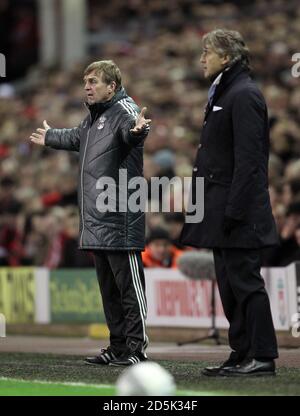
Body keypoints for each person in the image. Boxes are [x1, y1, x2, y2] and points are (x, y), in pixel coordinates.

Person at [29, 60, 151, 367]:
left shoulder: (124, 111)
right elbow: (75, 137)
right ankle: (118, 347)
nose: (87, 86)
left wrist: (139, 132)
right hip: (96, 221)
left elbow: (131, 132)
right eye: (85, 82)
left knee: (128, 290)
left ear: (111, 86)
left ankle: (137, 349)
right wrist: (51, 136)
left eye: (93, 81)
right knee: (110, 292)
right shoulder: (92, 120)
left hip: (120, 217)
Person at [180, 29, 279, 376]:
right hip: (220, 208)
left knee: (246, 282)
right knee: (228, 282)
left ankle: (263, 355)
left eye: (207, 52)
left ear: (226, 56)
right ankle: (241, 353)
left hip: (238, 210)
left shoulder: (244, 94)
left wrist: (235, 211)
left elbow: (250, 161)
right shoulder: (226, 91)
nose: (202, 58)